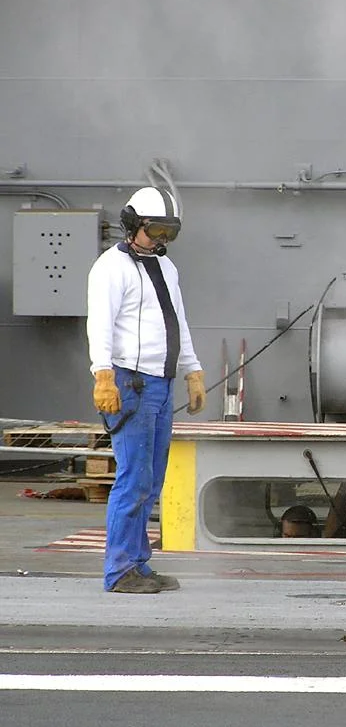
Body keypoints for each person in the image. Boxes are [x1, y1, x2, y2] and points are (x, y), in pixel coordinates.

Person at [87, 186, 206, 594]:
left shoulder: (165, 268)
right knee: (134, 479)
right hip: (130, 383)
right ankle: (119, 572)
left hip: (161, 384)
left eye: (170, 233)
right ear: (134, 225)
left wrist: (192, 371)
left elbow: (178, 322)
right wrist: (103, 376)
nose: (162, 240)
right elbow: (100, 325)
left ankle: (137, 564)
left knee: (151, 481)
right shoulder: (111, 267)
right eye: (156, 230)